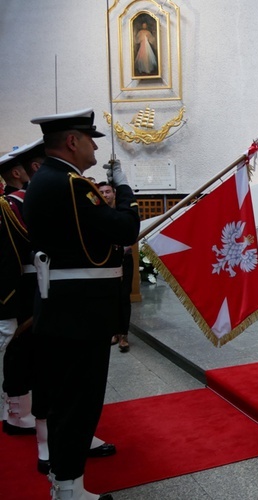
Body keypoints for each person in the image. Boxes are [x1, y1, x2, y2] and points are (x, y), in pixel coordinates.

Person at [24, 108, 140, 499]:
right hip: (80, 313)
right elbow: (124, 227)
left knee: (64, 401)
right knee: (78, 402)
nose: (94, 145)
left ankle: (64, 483)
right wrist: (123, 189)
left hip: (64, 308)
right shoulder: (70, 184)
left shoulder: (47, 179)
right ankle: (70, 489)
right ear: (71, 141)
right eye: (90, 139)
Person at [0, 152, 35, 437]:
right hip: (22, 288)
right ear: (16, 173)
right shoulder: (12, 204)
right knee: (19, 352)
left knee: (24, 352)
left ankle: (19, 410)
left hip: (27, 285)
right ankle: (17, 414)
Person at [98, 182, 133, 354]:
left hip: (124, 257)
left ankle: (124, 335)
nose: (105, 195)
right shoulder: (98, 212)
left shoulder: (122, 211)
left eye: (108, 191)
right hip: (107, 259)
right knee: (111, 296)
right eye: (102, 192)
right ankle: (113, 332)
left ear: (114, 193)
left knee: (124, 295)